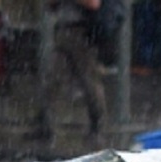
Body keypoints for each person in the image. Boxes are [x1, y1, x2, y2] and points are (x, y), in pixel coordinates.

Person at [33, 0, 107, 143]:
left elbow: (93, 4)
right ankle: (46, 124)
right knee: (53, 78)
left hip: (82, 30)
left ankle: (98, 127)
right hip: (63, 29)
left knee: (89, 81)